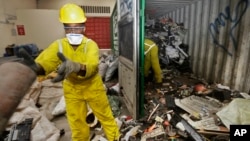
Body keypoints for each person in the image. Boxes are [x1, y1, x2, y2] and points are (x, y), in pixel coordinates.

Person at [20, 3, 121, 141]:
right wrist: (37, 68)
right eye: (69, 28)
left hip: (93, 87)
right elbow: (46, 62)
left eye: (78, 27)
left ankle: (115, 139)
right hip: (72, 89)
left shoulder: (90, 44)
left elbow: (92, 66)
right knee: (77, 124)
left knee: (106, 117)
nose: (74, 32)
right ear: (64, 28)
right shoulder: (59, 45)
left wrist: (76, 67)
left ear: (84, 27)